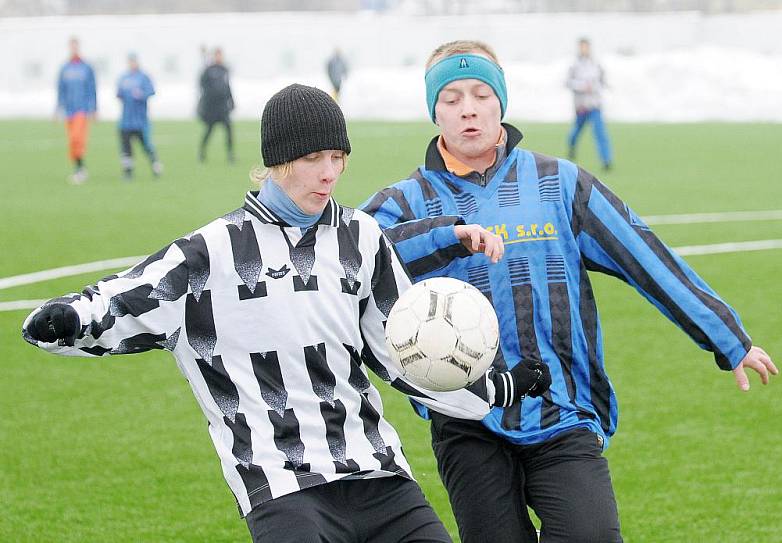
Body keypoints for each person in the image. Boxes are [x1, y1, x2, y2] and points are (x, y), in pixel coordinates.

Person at [22, 83, 548, 543]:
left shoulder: (360, 239)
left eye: (338, 157)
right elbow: (124, 299)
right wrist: (68, 319)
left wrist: (496, 389)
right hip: (280, 484)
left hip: (377, 474)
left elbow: (405, 352)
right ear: (277, 161)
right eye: (313, 158)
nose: (329, 173)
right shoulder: (211, 253)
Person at [361, 40, 779, 542]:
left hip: (561, 406)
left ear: (501, 103)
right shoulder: (402, 203)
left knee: (592, 535)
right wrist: (446, 235)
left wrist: (727, 337)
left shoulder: (559, 183)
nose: (468, 109)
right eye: (451, 98)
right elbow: (347, 257)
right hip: (466, 416)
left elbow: (644, 255)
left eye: (480, 94)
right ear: (434, 112)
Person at [566, 37, 612, 171]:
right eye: (582, 46)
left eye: (586, 46)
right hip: (581, 106)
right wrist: (581, 86)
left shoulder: (596, 64)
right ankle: (572, 147)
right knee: (576, 131)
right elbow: (568, 82)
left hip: (594, 105)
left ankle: (606, 160)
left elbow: (603, 82)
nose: (584, 49)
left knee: (600, 132)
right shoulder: (574, 65)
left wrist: (595, 86)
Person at [116, 53, 163, 180]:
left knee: (146, 146)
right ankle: (128, 172)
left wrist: (142, 94)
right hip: (126, 120)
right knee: (126, 148)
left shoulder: (143, 77)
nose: (132, 63)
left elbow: (151, 91)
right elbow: (119, 93)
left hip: (140, 120)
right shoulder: (124, 78)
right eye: (130, 61)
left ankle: (155, 166)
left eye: (134, 61)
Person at [56, 37, 96, 184]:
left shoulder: (86, 67)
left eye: (75, 46)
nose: (73, 49)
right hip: (69, 110)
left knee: (77, 138)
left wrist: (94, 108)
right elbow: (60, 89)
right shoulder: (65, 67)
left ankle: (80, 169)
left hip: (82, 109)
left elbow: (92, 88)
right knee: (72, 141)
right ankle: (79, 168)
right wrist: (58, 108)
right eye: (71, 46)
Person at [198, 47, 234, 163]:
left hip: (223, 106)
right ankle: (202, 153)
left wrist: (231, 100)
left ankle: (230, 154)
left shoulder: (225, 69)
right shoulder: (208, 70)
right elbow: (202, 85)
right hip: (212, 107)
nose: (219, 57)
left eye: (220, 55)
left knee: (229, 130)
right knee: (209, 130)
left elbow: (227, 85)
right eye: (217, 55)